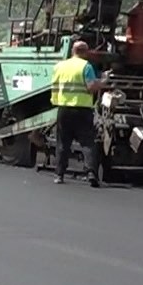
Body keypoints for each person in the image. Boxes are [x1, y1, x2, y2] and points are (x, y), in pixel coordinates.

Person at [49, 39, 113, 187]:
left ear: (73, 51)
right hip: (82, 110)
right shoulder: (86, 66)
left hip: (63, 109)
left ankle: (59, 174)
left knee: (62, 143)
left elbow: (54, 86)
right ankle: (91, 173)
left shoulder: (59, 66)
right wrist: (103, 81)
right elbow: (91, 87)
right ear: (85, 53)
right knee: (88, 143)